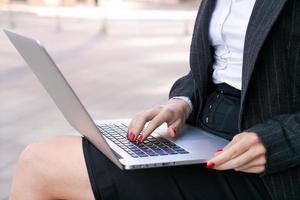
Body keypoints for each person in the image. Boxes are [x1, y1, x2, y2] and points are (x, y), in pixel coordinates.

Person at [10, 0, 300, 199]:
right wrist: (181, 103)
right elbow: (216, 68)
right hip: (203, 136)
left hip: (268, 169)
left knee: (38, 164)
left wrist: (278, 142)